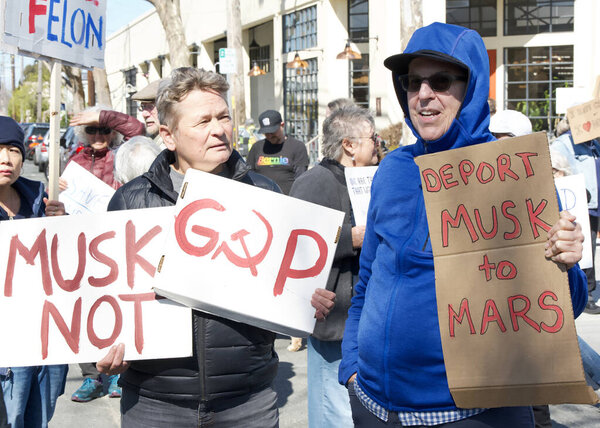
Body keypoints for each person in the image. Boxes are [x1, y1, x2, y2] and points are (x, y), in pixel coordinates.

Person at [339, 22, 588, 427]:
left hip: (472, 414)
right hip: (372, 405)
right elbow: (368, 278)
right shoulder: (393, 170)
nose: (423, 95)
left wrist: (567, 261)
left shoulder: (514, 173)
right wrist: (351, 366)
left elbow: (562, 307)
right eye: (412, 81)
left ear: (470, 87)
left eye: (440, 81)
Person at [97, 67, 334, 427]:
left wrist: (308, 298)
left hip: (247, 402)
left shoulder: (265, 196)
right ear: (169, 136)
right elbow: (103, 301)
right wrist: (102, 347)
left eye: (223, 116)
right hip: (154, 403)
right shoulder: (131, 201)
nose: (219, 129)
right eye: (203, 121)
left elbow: (286, 288)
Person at [290, 105, 378, 428]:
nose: (378, 144)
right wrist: (349, 239)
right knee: (334, 413)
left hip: (363, 320)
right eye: (373, 138)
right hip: (333, 321)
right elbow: (296, 244)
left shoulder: (368, 179)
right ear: (349, 145)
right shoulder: (316, 181)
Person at [0, 116, 68, 428]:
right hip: (5, 349)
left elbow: (69, 264)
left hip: (45, 342)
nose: (6, 159)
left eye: (13, 150)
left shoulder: (42, 199)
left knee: (39, 419)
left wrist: (64, 223)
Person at [550, 117, 600, 314]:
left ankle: (586, 290)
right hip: (575, 201)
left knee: (586, 250)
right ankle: (586, 294)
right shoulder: (564, 143)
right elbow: (560, 166)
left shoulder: (594, 144)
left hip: (592, 202)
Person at [61, 106, 129, 192]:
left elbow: (137, 129)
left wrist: (103, 117)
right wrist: (58, 187)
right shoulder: (76, 161)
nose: (98, 136)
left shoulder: (121, 159)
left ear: (114, 133)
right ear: (84, 133)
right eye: (91, 130)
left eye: (104, 130)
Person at [246, 109, 309, 195]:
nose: (269, 136)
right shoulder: (256, 148)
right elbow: (249, 175)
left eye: (272, 132)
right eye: (266, 133)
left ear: (282, 125)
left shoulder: (297, 147)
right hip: (262, 200)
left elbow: (301, 180)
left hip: (288, 201)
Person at [131, 79, 167, 148]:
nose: (144, 114)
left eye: (151, 107)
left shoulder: (174, 144)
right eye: (143, 107)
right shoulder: (149, 140)